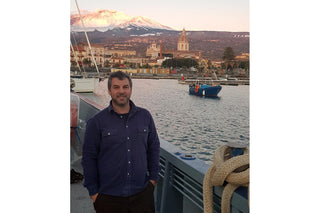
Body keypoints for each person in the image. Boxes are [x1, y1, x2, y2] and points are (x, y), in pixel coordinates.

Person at [82, 71, 160, 213]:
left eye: (125, 87)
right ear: (109, 91)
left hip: (142, 195)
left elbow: (153, 148)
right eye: (116, 87)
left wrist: (153, 180)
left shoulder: (145, 116)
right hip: (108, 198)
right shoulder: (97, 122)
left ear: (130, 89)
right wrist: (94, 193)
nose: (121, 91)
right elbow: (88, 158)